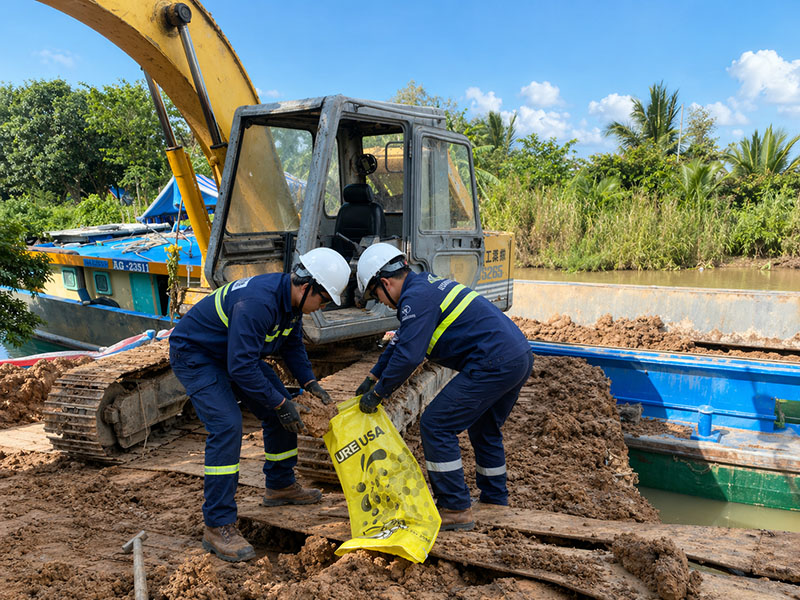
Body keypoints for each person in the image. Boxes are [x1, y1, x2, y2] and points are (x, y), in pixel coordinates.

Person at [169, 247, 350, 562]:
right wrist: (280, 402)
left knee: (283, 409)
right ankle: (218, 524)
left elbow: (291, 345)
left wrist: (310, 384)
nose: (322, 306)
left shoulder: (290, 303)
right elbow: (241, 368)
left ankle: (280, 485)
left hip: (236, 355)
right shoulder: (258, 303)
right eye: (323, 299)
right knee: (227, 425)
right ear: (308, 286)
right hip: (198, 355)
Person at [354, 243, 533, 531]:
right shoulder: (423, 287)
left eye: (376, 295)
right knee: (485, 427)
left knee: (437, 424)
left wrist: (379, 394)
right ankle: (495, 499)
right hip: (517, 356)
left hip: (494, 362)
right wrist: (374, 377)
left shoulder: (415, 298)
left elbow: (409, 356)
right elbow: (401, 339)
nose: (382, 302)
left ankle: (454, 507)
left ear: (385, 282)